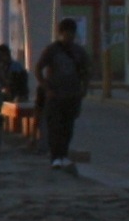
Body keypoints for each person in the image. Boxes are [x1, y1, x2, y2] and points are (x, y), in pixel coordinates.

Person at [35, 17, 93, 168]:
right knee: (55, 126)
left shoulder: (79, 52)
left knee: (68, 127)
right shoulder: (52, 50)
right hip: (55, 95)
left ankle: (64, 154)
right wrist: (46, 88)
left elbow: (86, 71)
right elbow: (38, 69)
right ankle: (55, 157)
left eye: (72, 33)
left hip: (72, 95)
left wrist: (84, 89)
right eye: (66, 33)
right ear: (60, 33)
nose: (69, 36)